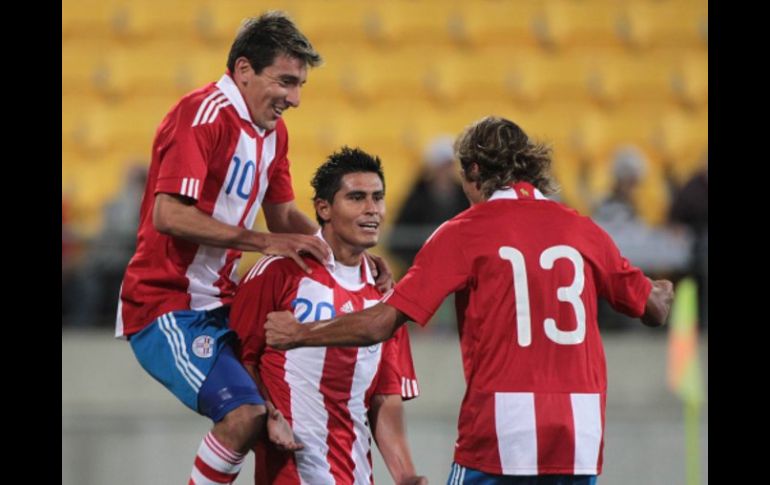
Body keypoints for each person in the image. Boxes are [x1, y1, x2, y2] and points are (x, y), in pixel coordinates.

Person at [265, 116, 674, 484]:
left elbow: (380, 324)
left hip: (501, 427)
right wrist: (661, 290)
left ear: (474, 171)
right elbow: (654, 309)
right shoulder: (583, 228)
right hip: (580, 432)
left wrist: (300, 332)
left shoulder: (464, 231)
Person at [115, 12, 390, 485]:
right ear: (244, 70)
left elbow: (284, 216)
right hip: (167, 302)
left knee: (279, 411)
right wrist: (264, 242)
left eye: (300, 85)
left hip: (224, 301)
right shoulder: (200, 115)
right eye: (285, 82)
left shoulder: (273, 133)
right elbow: (169, 215)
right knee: (244, 415)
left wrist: (352, 257)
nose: (295, 99)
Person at [229, 147, 425, 485]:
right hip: (290, 470)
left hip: (356, 474)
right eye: (356, 197)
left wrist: (405, 476)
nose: (372, 210)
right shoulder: (278, 271)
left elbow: (385, 396)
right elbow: (238, 359)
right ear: (323, 208)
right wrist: (266, 415)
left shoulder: (386, 296)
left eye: (378, 198)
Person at [387, 135, 469, 270]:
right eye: (444, 165)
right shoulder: (417, 197)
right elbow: (398, 237)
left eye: (449, 165)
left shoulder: (463, 196)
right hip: (423, 269)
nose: (447, 170)